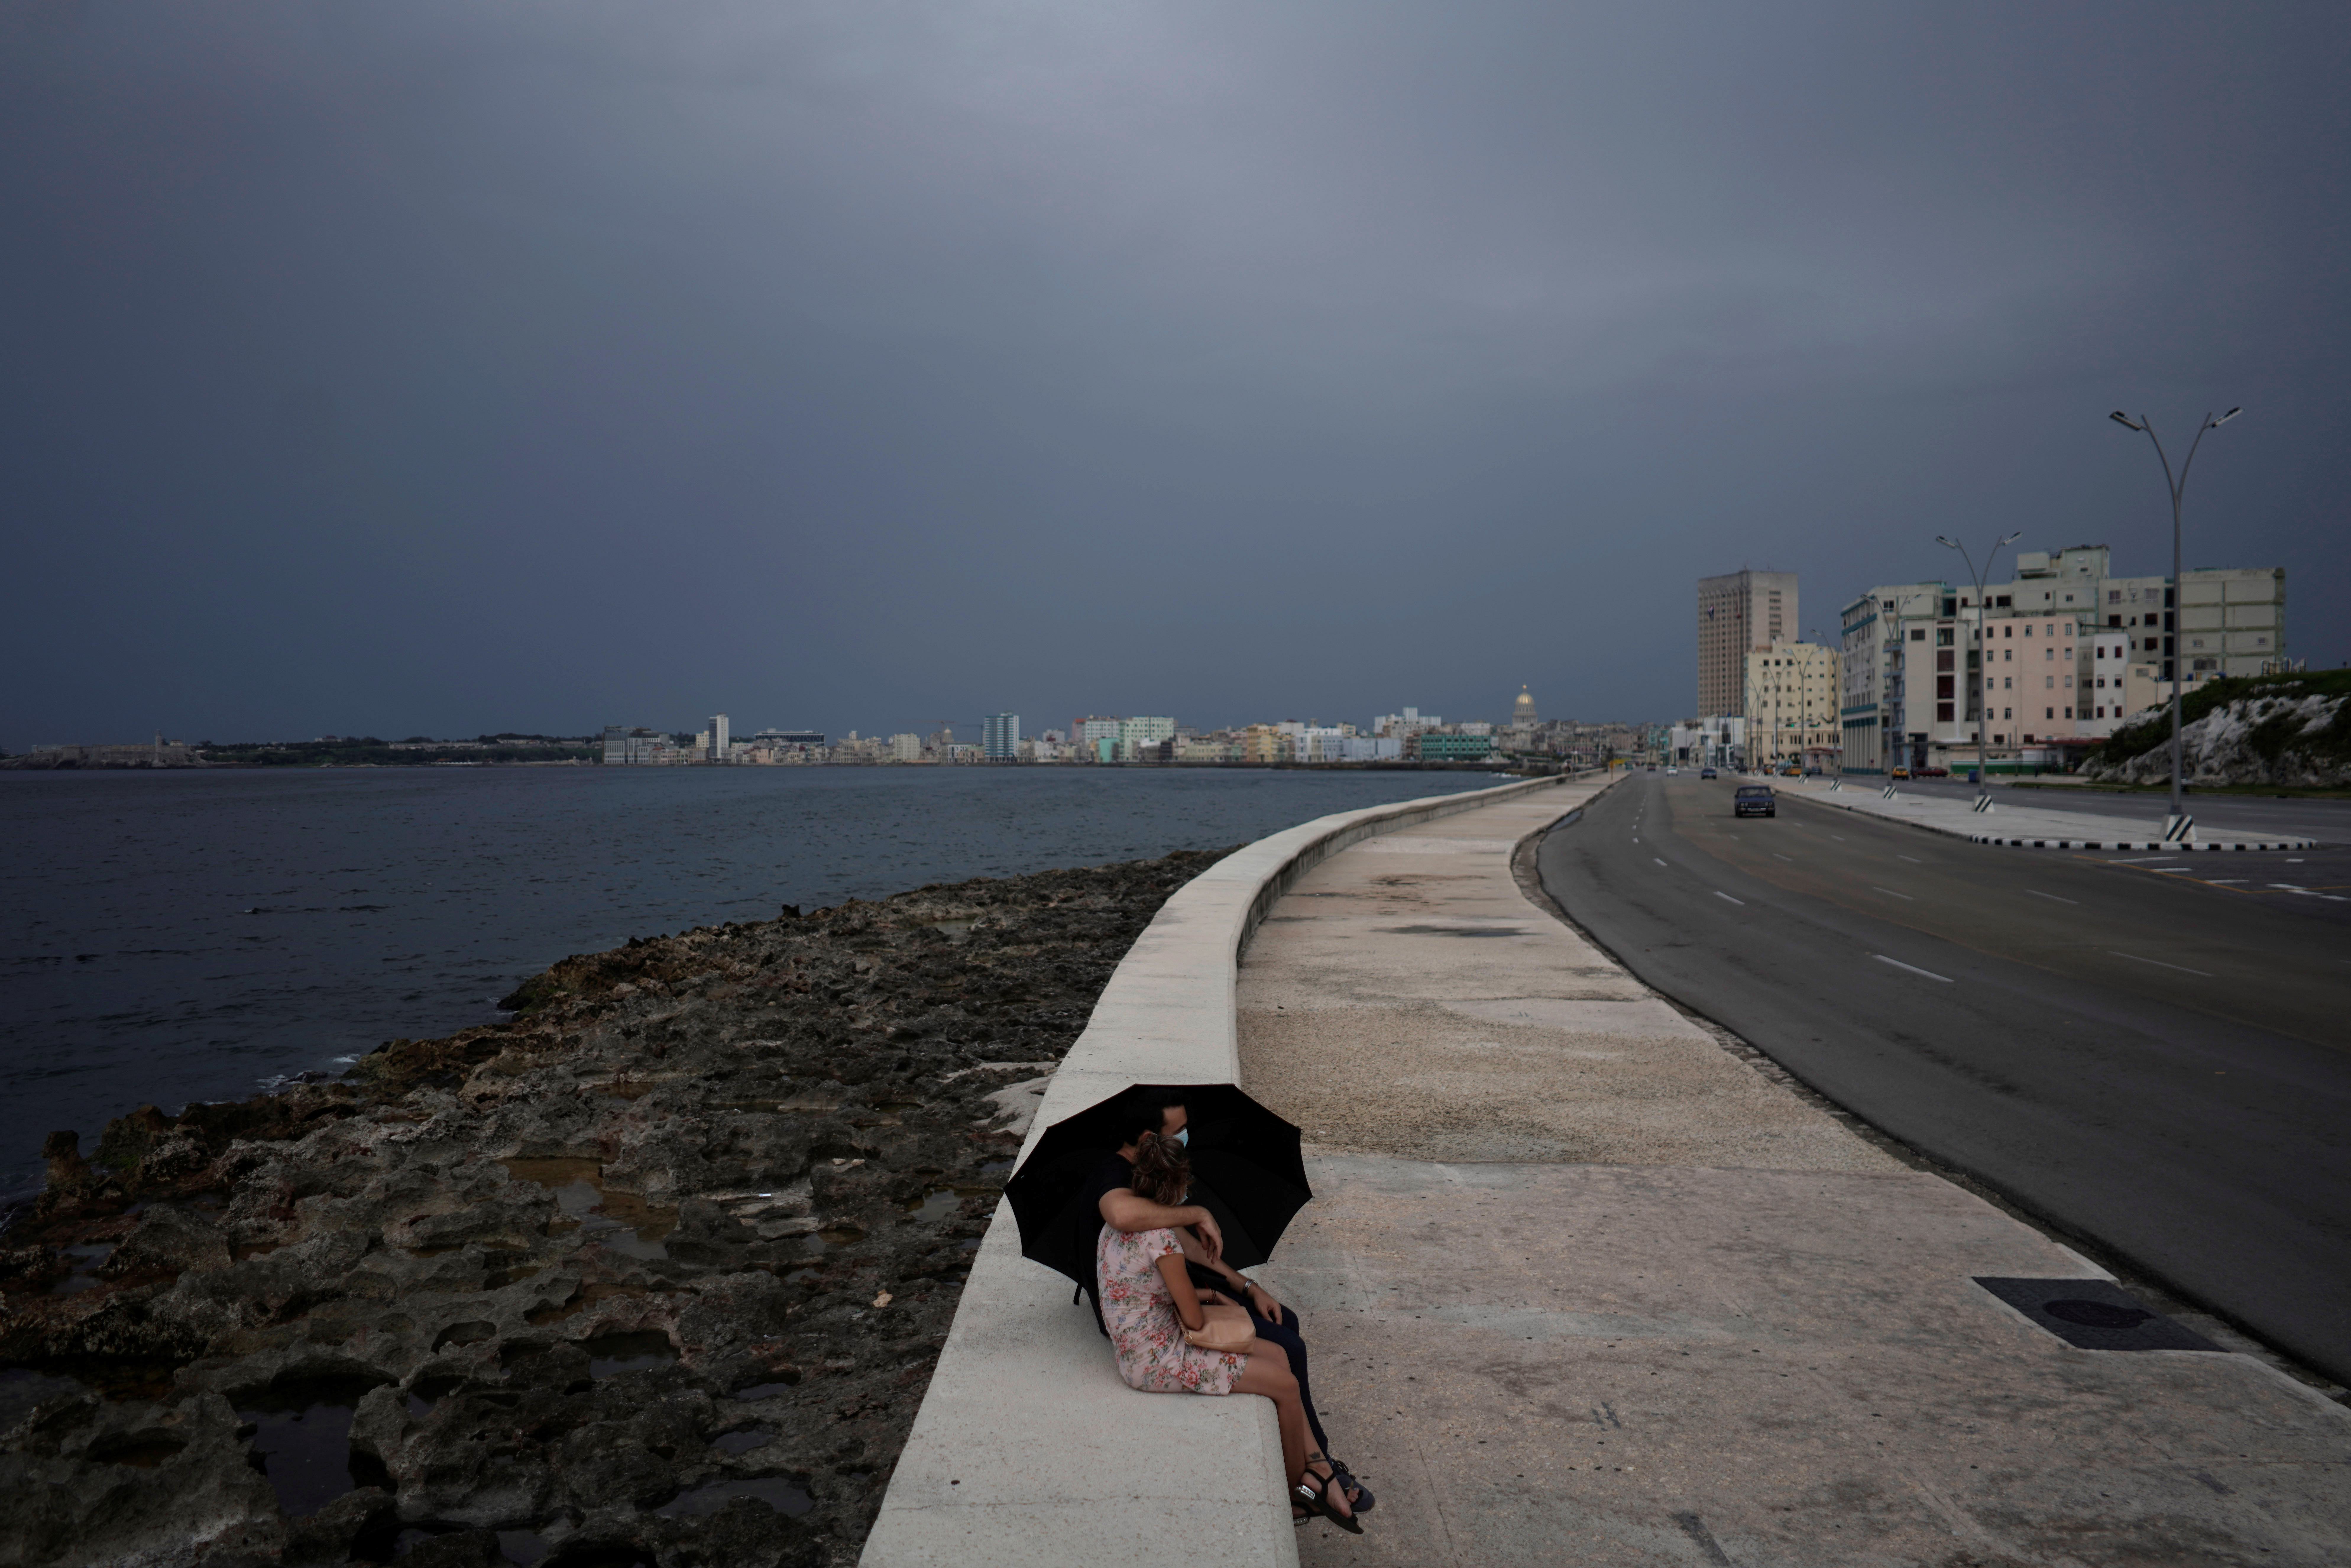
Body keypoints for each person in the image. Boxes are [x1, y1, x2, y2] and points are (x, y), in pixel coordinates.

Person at [1089, 1088, 1369, 1522]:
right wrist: (1198, 1225)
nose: (1187, 1140)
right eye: (1179, 1134)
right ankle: (1307, 1484)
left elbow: (1171, 1265)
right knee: (1287, 1370)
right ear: (1152, 1144)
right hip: (1160, 1346)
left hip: (1161, 1311)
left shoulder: (1148, 1217)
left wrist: (1244, 1285)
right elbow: (1192, 1315)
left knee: (1281, 1343)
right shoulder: (1130, 1198)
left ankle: (1313, 1467)